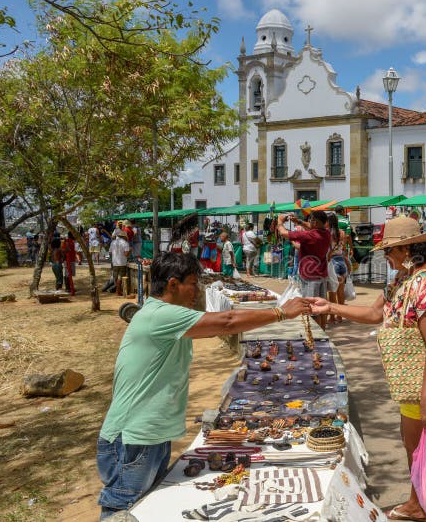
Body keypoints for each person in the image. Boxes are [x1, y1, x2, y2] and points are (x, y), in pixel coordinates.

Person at [96, 252, 310, 519]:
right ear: (173, 284)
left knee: (144, 509)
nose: (198, 290)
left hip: (149, 435)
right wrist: (281, 313)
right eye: (193, 283)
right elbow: (227, 322)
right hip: (133, 438)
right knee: (122, 508)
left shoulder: (165, 314)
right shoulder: (161, 315)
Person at [308, 216, 426, 522]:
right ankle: (420, 501)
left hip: (422, 383)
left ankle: (424, 506)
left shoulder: (424, 282)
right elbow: (375, 313)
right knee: (414, 445)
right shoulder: (405, 279)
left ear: (408, 248)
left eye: (391, 250)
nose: (386, 257)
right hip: (412, 382)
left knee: (418, 447)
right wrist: (330, 307)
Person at [277, 210, 331, 328]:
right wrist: (299, 222)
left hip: (310, 276)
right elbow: (310, 226)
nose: (309, 222)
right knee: (321, 307)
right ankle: (322, 333)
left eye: (311, 220)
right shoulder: (326, 233)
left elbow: (283, 233)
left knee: (311, 308)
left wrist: (280, 222)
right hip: (321, 274)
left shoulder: (310, 235)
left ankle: (315, 336)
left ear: (315, 222)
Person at [326, 214, 353, 324]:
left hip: (333, 262)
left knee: (332, 291)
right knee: (340, 291)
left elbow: (329, 251)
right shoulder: (342, 233)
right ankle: (340, 316)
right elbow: (344, 249)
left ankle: (332, 317)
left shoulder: (328, 234)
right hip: (342, 262)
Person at [109, 230, 131, 296]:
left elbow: (110, 252)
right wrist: (130, 250)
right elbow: (126, 254)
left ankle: (117, 289)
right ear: (124, 236)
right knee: (120, 277)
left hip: (115, 262)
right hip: (122, 262)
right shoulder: (125, 243)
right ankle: (118, 290)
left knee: (115, 277)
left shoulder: (113, 242)